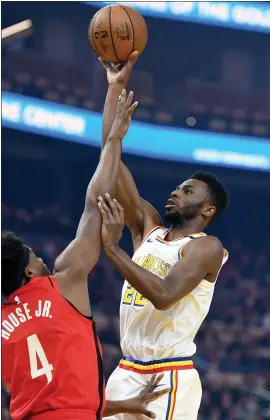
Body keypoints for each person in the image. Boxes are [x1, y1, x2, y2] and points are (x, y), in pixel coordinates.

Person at [1, 90, 168, 420]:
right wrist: (114, 139)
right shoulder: (62, 283)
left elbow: (54, 393)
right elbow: (96, 203)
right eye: (34, 257)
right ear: (29, 274)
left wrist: (121, 405)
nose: (42, 258)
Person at [99, 53, 229, 419]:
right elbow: (110, 160)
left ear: (208, 210)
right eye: (177, 187)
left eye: (188, 191)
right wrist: (115, 87)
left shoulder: (206, 248)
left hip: (168, 375)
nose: (176, 192)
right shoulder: (148, 227)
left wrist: (112, 248)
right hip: (125, 370)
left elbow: (165, 295)